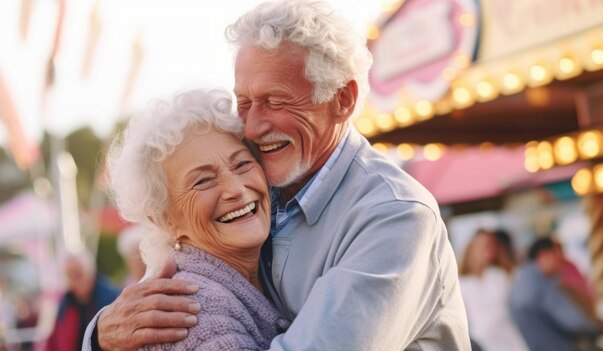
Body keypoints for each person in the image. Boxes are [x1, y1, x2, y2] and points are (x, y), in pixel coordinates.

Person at [86, 1, 469, 350]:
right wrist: (100, 334)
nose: (252, 127)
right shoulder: (262, 187)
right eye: (245, 103)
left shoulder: (393, 215)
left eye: (275, 101)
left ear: (343, 100)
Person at [107, 89, 289, 350]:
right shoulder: (193, 315)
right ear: (163, 219)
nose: (236, 189)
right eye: (203, 181)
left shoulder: (272, 264)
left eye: (242, 165)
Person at [508, 237, 600, 351]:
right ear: (543, 255)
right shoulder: (539, 282)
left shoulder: (521, 280)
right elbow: (572, 321)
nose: (561, 262)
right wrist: (598, 329)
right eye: (558, 257)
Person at [458, 229, 527, 351]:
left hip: (509, 339)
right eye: (484, 245)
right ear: (472, 248)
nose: (488, 248)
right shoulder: (461, 284)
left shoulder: (498, 276)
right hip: (482, 344)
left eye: (491, 245)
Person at [45, 251, 119, 351]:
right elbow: (53, 342)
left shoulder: (112, 298)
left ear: (90, 272)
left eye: (78, 274)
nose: (75, 281)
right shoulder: (64, 304)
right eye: (70, 275)